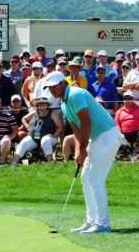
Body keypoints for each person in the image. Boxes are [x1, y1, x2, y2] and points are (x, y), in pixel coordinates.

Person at [45, 71, 125, 234]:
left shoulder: (76, 94)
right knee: (85, 178)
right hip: (96, 137)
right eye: (49, 87)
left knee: (95, 179)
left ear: (62, 83)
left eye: (54, 86)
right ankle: (92, 221)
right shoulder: (63, 103)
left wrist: (83, 149)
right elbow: (76, 130)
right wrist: (78, 152)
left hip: (107, 134)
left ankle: (103, 224)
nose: (52, 90)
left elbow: (86, 123)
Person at [13, 97, 62, 164]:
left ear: (47, 105)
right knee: (23, 143)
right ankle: (14, 163)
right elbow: (24, 119)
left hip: (49, 137)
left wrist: (54, 135)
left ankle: (50, 162)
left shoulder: (52, 114)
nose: (42, 105)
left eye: (43, 104)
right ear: (37, 105)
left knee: (45, 140)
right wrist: (28, 127)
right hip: (34, 137)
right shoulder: (34, 112)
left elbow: (60, 127)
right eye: (40, 104)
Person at [114, 91, 139, 157]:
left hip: (138, 132)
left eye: (129, 98)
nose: (127, 100)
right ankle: (117, 155)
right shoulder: (119, 111)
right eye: (125, 98)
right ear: (123, 100)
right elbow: (117, 123)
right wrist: (120, 133)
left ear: (133, 99)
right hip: (125, 132)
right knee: (113, 134)